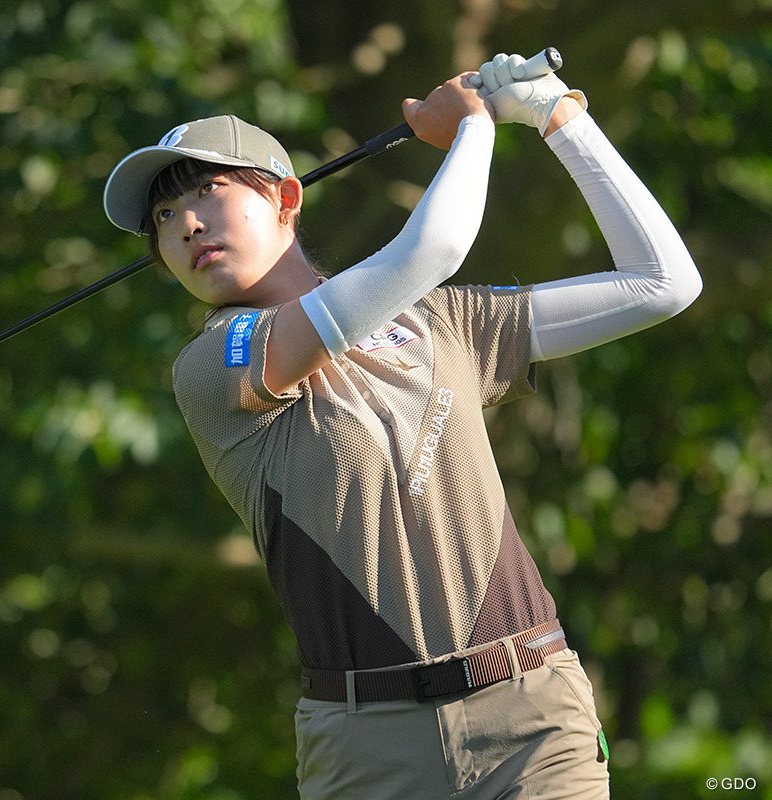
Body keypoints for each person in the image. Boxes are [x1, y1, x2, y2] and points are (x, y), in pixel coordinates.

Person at [103, 52, 700, 799]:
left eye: (207, 192)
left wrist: (557, 116)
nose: (185, 223)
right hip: (366, 750)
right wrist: (472, 129)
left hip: (533, 717)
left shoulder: (441, 322)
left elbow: (663, 283)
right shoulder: (215, 366)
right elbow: (433, 251)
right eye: (162, 219)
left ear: (287, 198)